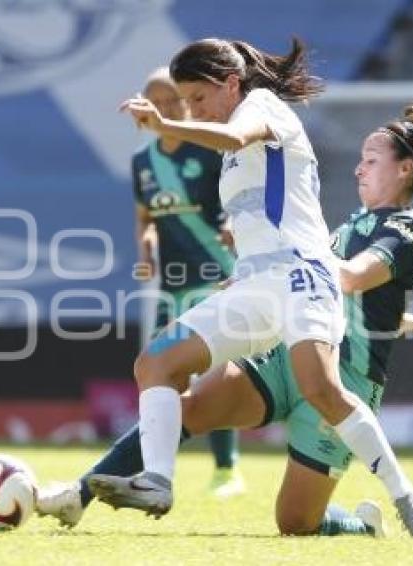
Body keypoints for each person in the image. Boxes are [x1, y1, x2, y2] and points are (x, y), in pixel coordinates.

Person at [36, 104, 413, 539]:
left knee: (295, 523)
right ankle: (79, 495)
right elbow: (309, 283)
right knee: (188, 405)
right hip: (284, 356)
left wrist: (281, 259)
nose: (359, 169)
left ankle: (364, 525)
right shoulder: (345, 227)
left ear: (404, 170)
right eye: (360, 159)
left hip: (346, 376)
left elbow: (351, 276)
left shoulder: (410, 227)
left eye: (371, 160)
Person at [130, 67, 244, 496]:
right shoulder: (143, 162)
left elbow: (237, 197)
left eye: (171, 101)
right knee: (162, 372)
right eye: (155, 102)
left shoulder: (209, 151)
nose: (163, 108)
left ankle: (227, 468)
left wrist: (233, 223)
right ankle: (157, 468)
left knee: (216, 373)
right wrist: (145, 250)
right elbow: (147, 219)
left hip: (214, 272)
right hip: (171, 281)